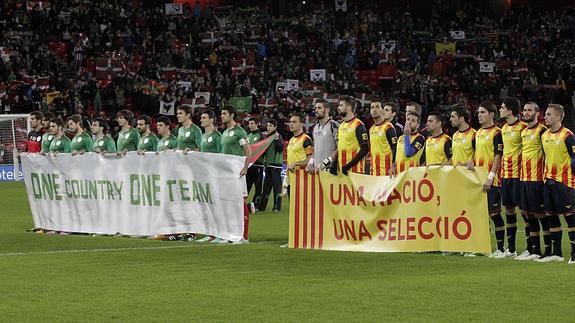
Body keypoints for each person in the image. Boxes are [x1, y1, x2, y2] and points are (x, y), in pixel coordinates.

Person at [468, 101, 506, 258]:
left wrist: (491, 176)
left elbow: (498, 156)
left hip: (492, 179)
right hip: (478, 179)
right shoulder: (477, 133)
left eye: (482, 112)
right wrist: (471, 160)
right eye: (478, 112)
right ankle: (482, 247)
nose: (479, 115)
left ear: (491, 114)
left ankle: (501, 248)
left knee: (494, 214)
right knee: (480, 214)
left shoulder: (497, 133)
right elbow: (476, 152)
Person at [538, 104, 575, 264]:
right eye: (545, 114)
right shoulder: (544, 135)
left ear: (559, 117)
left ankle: (574, 254)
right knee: (551, 217)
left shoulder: (568, 135)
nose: (545, 117)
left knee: (571, 219)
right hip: (549, 182)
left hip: (565, 183)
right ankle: (557, 253)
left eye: (548, 114)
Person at [516, 102, 547, 261]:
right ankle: (534, 250)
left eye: (529, 110)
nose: (526, 113)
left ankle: (548, 251)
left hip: (537, 179)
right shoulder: (523, 131)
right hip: (524, 178)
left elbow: (548, 154)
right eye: (525, 110)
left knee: (540, 214)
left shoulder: (542, 131)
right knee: (527, 214)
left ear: (537, 113)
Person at [499, 97, 528, 258]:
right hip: (506, 175)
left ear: (510, 111)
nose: (500, 110)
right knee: (509, 210)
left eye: (502, 108)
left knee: (525, 211)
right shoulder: (503, 128)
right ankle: (511, 249)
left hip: (519, 176)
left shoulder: (523, 128)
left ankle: (531, 248)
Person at [221, 106, 252, 243]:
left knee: (240, 202)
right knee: (228, 203)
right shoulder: (225, 132)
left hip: (237, 171)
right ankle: (230, 234)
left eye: (224, 113)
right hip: (226, 171)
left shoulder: (239, 132)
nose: (221, 116)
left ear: (232, 115)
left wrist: (245, 167)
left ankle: (244, 236)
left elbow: (248, 151)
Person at [330, 95, 369, 175]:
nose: (338, 108)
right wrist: (335, 162)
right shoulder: (341, 125)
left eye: (341, 105)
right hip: (341, 170)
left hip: (355, 171)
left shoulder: (359, 125)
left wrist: (348, 166)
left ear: (349, 108)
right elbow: (341, 146)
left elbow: (365, 149)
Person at [306, 99, 339, 173]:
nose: (316, 110)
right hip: (316, 169)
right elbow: (315, 148)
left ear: (327, 110)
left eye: (319, 108)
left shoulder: (334, 126)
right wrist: (310, 163)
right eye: (315, 108)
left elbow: (339, 148)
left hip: (329, 170)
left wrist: (325, 163)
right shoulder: (315, 127)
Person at [259, 120, 284, 212]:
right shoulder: (268, 137)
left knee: (277, 187)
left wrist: (277, 140)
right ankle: (262, 207)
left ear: (275, 127)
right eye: (268, 126)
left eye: (271, 126)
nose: (268, 127)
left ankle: (277, 207)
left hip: (276, 165)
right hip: (268, 165)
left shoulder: (277, 136)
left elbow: (280, 149)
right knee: (266, 187)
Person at [369, 99, 397, 175]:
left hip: (386, 172)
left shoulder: (388, 127)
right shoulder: (371, 129)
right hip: (373, 172)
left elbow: (395, 148)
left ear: (382, 111)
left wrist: (393, 166)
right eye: (372, 107)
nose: (374, 109)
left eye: (377, 107)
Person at [246, 117, 264, 209]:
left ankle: (256, 205)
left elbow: (263, 150)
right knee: (246, 186)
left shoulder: (261, 136)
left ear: (257, 124)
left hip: (258, 165)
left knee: (258, 186)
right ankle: (244, 204)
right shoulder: (248, 136)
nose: (250, 126)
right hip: (249, 165)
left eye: (252, 123)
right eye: (249, 124)